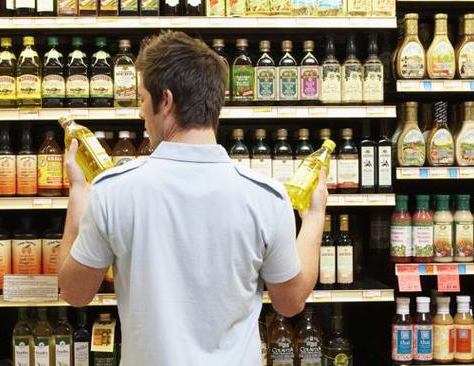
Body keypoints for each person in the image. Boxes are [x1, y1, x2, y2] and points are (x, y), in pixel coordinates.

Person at [57, 31, 327, 366]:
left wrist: (78, 192)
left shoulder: (113, 190)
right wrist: (315, 216)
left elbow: (75, 292)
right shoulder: (266, 197)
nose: (142, 113)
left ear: (165, 101)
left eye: (142, 100)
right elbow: (291, 302)